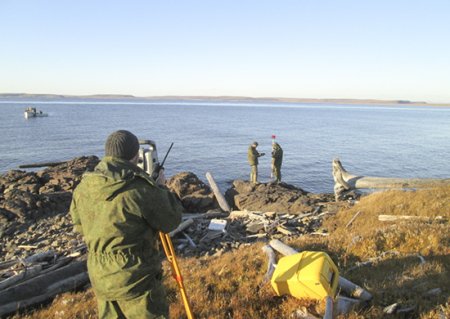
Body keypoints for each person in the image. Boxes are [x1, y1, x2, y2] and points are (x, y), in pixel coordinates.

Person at [70, 130, 183, 319]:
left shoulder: (84, 186)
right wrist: (160, 187)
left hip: (100, 277)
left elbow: (80, 225)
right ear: (136, 155)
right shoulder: (139, 189)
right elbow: (171, 220)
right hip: (136, 279)